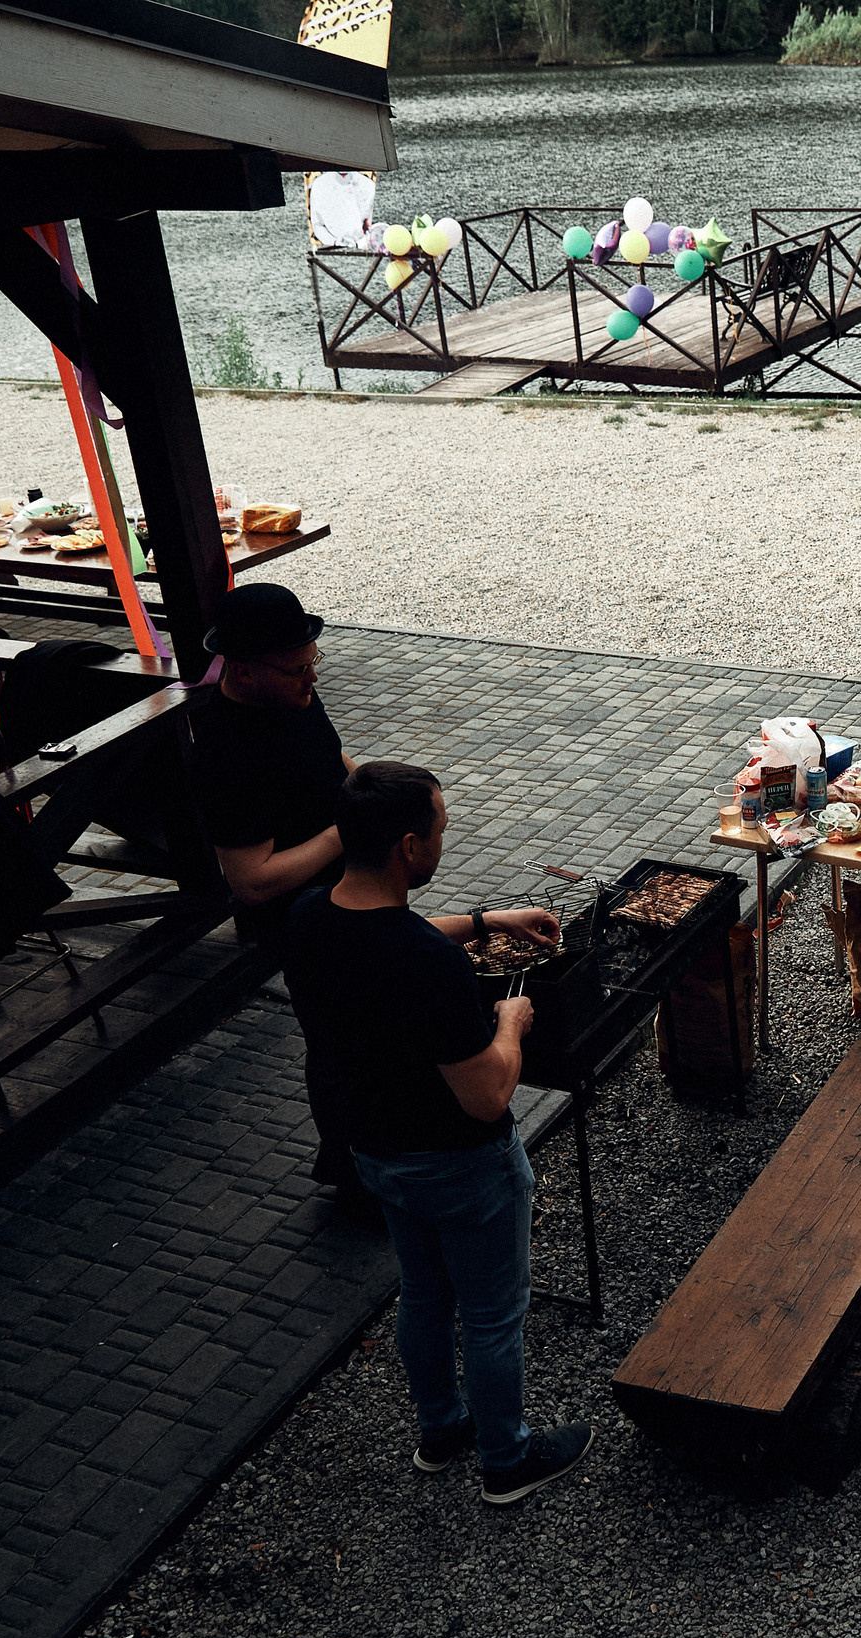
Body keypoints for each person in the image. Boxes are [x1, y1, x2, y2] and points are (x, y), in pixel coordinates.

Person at [280, 760, 591, 1505]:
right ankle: (506, 1461)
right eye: (441, 831)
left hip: (374, 1149)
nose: (444, 841)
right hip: (461, 1164)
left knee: (423, 1293)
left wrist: (489, 922)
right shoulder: (428, 967)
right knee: (491, 1315)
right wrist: (510, 1025)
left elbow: (391, 930)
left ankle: (441, 1428)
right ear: (408, 848)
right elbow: (486, 1095)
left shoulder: (311, 916)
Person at [192, 583, 353, 938]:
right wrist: (351, 827)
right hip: (304, 915)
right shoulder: (228, 755)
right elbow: (252, 883)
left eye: (313, 661)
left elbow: (326, 752)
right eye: (298, 670)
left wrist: (374, 783)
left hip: (348, 881)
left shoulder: (288, 693)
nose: (313, 677)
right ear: (244, 673)